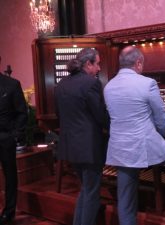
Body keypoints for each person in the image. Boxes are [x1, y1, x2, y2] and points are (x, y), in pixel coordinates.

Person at [104, 46, 165, 225]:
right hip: (144, 145)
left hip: (121, 148)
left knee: (125, 194)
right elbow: (162, 118)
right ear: (138, 63)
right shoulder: (147, 83)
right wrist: (162, 133)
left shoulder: (109, 86)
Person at [54, 48, 109, 225]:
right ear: (88, 64)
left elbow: (59, 115)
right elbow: (100, 115)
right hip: (89, 146)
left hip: (71, 146)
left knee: (86, 189)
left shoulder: (61, 84)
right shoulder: (91, 83)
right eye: (97, 63)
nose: (99, 68)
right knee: (92, 192)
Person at [0, 56, 28, 224]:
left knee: (10, 176)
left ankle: (8, 212)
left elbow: (22, 112)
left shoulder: (11, 84)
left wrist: (14, 135)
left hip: (5, 137)